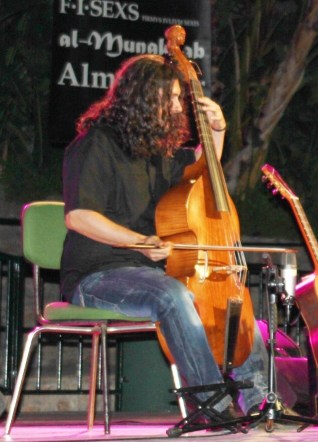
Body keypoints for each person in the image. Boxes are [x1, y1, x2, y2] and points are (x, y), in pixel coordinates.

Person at [60, 54, 269, 418]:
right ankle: (212, 404)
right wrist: (140, 242)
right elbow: (79, 216)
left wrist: (217, 130)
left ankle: (259, 400)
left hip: (150, 272)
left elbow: (203, 174)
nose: (176, 106)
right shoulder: (95, 144)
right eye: (170, 98)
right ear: (143, 98)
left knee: (229, 301)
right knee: (173, 295)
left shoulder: (156, 153)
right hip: (96, 275)